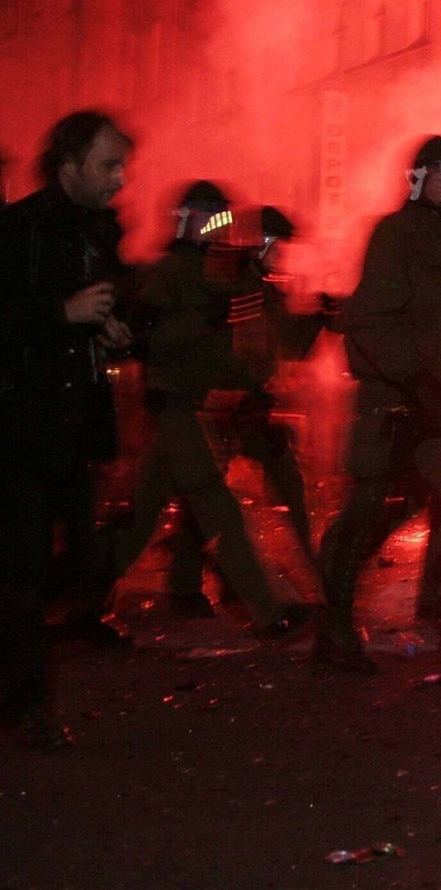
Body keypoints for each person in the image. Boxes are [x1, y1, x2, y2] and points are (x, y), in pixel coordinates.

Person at [315, 135, 441, 671]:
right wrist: (413, 378)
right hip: (393, 400)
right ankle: (333, 630)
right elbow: (370, 321)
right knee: (371, 509)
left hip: (434, 399)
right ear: (418, 179)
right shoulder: (395, 236)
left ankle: (436, 605)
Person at [107, 181, 316, 638]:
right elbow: (149, 341)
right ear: (185, 217)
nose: (214, 226)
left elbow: (253, 344)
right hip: (174, 409)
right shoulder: (169, 274)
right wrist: (207, 318)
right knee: (218, 509)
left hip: (198, 413)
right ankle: (267, 611)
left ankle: (77, 598)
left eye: (220, 217)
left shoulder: (220, 272)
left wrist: (316, 320)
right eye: (206, 216)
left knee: (143, 520)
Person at [0, 111, 135, 749]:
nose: (121, 178)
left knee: (73, 567)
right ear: (70, 165)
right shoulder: (20, 229)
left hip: (74, 429)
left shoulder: (98, 232)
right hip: (20, 433)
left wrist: (111, 326)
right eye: (108, 164)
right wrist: (64, 313)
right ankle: (26, 706)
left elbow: (113, 304)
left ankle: (24, 681)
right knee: (24, 572)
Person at [158, 205, 329, 617]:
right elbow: (241, 353)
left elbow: (284, 346)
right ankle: (314, 587)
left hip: (243, 408)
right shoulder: (236, 289)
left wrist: (320, 318)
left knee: (210, 498)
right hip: (226, 409)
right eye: (278, 246)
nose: (283, 255)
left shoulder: (260, 288)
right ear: (261, 244)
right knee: (214, 498)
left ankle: (195, 588)